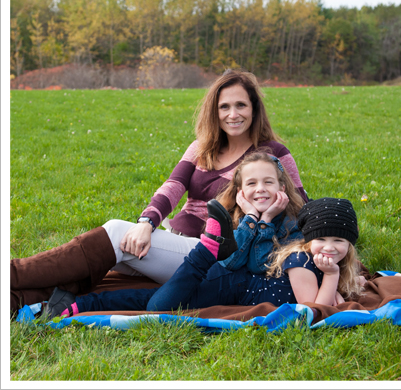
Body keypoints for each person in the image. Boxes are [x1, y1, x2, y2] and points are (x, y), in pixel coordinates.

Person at [10, 70, 309, 311]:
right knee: (105, 255)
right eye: (224, 107)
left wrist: (333, 254)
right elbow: (173, 187)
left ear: (254, 109)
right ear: (214, 112)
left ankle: (13, 273)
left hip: (213, 253)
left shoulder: (272, 154)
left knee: (115, 233)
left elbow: (303, 207)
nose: (233, 114)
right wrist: (147, 223)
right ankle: (17, 300)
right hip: (175, 242)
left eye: (241, 105)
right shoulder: (201, 148)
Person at [52, 198, 364, 315]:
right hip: (227, 286)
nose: (330, 247)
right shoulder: (301, 261)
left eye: (339, 241)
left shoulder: (325, 262)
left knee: (150, 300)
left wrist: (338, 279)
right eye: (322, 239)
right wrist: (333, 278)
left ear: (350, 244)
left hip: (231, 287)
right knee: (159, 307)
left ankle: (80, 304)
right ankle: (208, 250)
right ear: (308, 240)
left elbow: (333, 300)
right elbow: (317, 310)